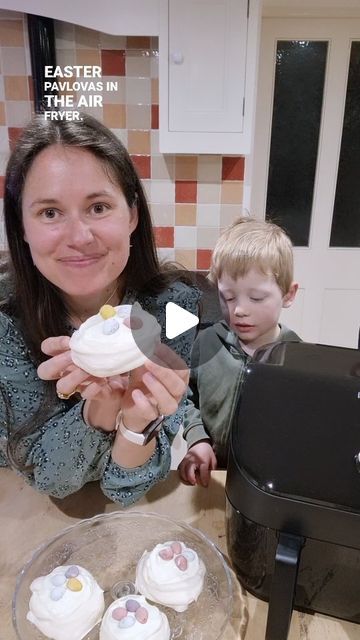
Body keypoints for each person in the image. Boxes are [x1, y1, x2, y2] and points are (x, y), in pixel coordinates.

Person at [0, 113, 200, 506]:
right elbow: (45, 476)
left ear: (133, 215)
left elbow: (128, 488)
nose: (78, 238)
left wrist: (134, 421)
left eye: (98, 207)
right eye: (50, 213)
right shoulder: (7, 322)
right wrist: (97, 412)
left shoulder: (173, 308)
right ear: (21, 227)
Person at [179, 217, 300, 487]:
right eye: (228, 297)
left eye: (256, 298)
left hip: (266, 483)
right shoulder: (207, 342)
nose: (239, 310)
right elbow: (183, 395)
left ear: (288, 295)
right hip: (213, 475)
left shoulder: (298, 361)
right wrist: (197, 438)